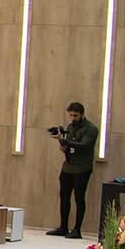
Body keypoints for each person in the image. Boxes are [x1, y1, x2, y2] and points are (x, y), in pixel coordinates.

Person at [49, 101, 98, 237]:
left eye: (75, 115)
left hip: (82, 168)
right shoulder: (70, 127)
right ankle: (63, 227)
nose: (72, 118)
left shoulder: (91, 129)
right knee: (64, 197)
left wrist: (65, 141)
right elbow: (68, 147)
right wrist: (61, 141)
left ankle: (77, 229)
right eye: (70, 115)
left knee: (79, 198)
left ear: (82, 114)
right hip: (68, 166)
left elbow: (84, 146)